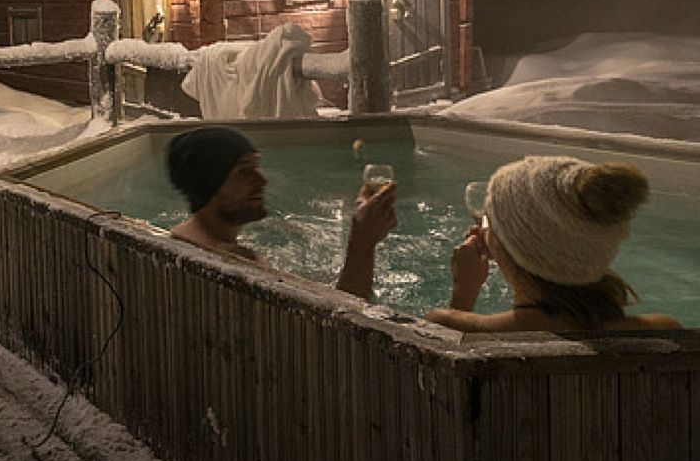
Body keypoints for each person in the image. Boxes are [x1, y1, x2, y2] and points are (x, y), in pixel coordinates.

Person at [425, 155, 681, 334]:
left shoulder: (453, 328)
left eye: (490, 222)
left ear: (513, 246)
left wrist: (463, 290)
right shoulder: (664, 331)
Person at [166, 125, 397, 300]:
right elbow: (343, 327)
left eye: (256, 167)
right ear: (210, 182)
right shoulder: (237, 265)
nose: (262, 180)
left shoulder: (181, 236)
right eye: (244, 171)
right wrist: (362, 241)